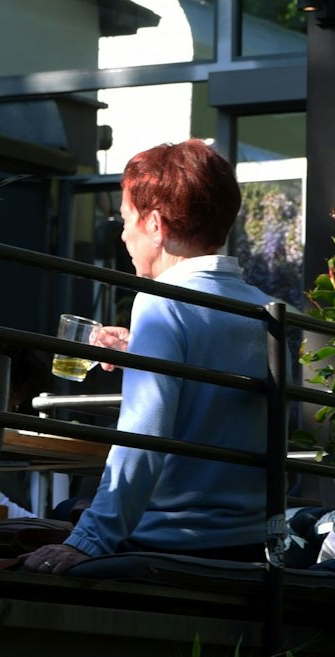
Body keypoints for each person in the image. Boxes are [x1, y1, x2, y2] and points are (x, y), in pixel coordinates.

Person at [19, 140, 272, 574]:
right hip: (251, 540)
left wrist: (89, 541)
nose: (122, 234)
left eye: (124, 219)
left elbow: (144, 438)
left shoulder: (161, 302)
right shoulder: (264, 308)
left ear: (155, 224)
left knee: (52, 519)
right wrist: (142, 348)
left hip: (174, 540)